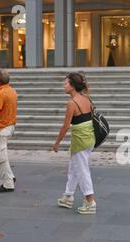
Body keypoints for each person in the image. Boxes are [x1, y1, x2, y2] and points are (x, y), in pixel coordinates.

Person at [52, 72, 97, 215]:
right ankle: (68, 196)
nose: (64, 85)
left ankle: (90, 202)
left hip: (80, 141)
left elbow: (65, 127)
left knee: (82, 170)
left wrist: (57, 143)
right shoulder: (86, 99)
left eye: (65, 83)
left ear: (72, 87)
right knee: (74, 167)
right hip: (89, 138)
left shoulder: (72, 103)